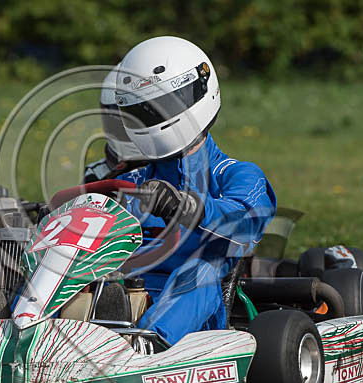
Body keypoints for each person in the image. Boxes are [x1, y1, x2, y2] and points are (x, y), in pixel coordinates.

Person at [111, 36, 277, 345]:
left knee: (203, 268)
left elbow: (243, 224)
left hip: (197, 310)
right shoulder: (132, 182)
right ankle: (22, 332)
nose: (155, 116)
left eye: (164, 105)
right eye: (144, 110)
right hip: (126, 289)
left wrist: (183, 206)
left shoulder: (238, 174)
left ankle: (147, 345)